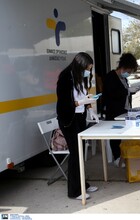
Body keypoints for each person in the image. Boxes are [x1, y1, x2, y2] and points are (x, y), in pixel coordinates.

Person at [56, 52, 100, 200]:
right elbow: (64, 103)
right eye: (87, 68)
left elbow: (83, 95)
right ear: (79, 65)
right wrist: (79, 103)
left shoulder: (81, 77)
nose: (88, 71)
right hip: (69, 120)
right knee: (75, 154)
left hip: (80, 118)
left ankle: (83, 184)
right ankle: (74, 192)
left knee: (81, 153)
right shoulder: (65, 77)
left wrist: (90, 108)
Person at [102, 53, 139, 167]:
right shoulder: (110, 77)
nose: (129, 73)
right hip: (113, 111)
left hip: (124, 110)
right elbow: (113, 94)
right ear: (123, 67)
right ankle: (117, 157)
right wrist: (128, 91)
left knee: (124, 134)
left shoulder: (123, 78)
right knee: (115, 135)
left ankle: (123, 155)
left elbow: (125, 92)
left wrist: (130, 91)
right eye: (129, 70)